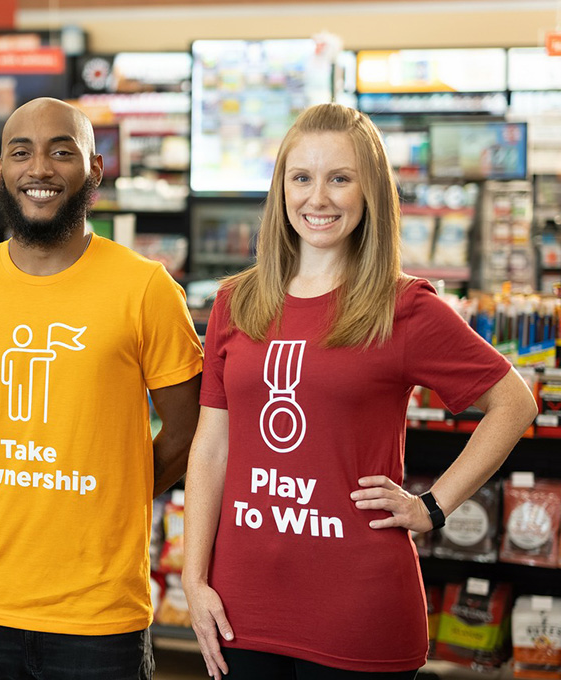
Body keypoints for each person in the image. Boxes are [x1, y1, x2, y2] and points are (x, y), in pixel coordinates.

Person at [183, 102, 538, 680]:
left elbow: (514, 401)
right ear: (281, 190)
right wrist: (194, 579)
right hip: (241, 606)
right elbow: (211, 448)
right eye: (302, 177)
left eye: (339, 178)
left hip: (358, 608)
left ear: (369, 191)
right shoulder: (237, 301)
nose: (317, 198)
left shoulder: (405, 307)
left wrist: (433, 506)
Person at [0, 97, 203, 679]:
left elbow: (190, 428)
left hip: (101, 614)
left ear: (95, 170)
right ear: (0, 170)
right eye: (21, 152)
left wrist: (119, 484)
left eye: (61, 152)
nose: (39, 169)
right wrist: (11, 482)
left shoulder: (146, 290)